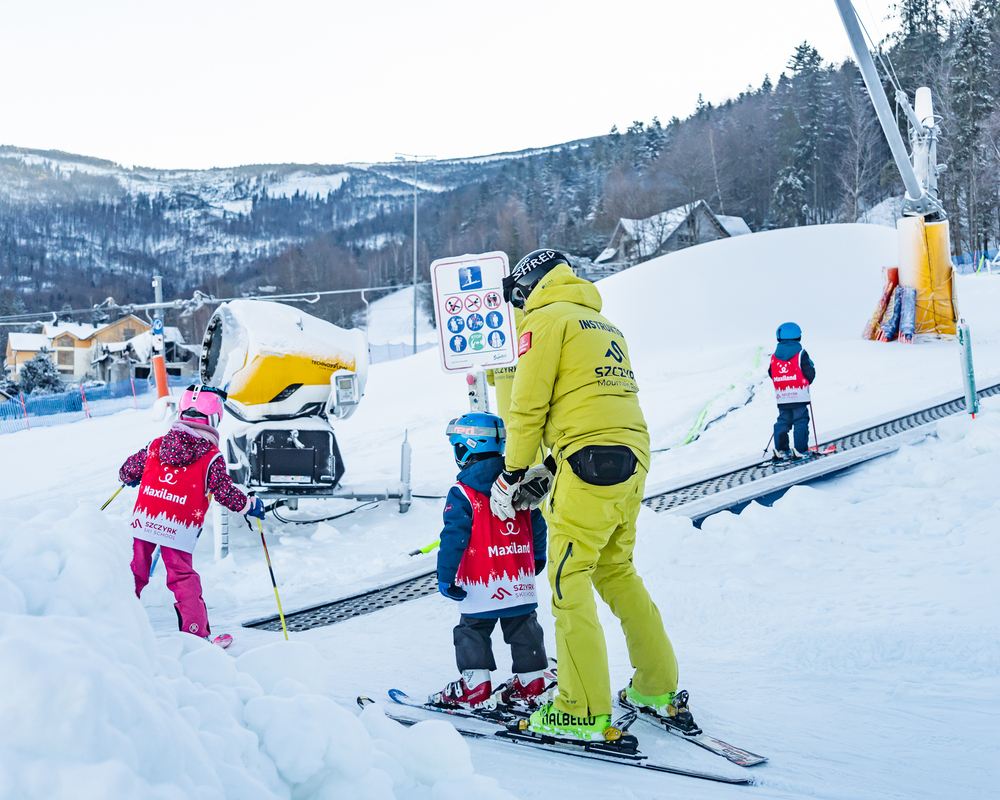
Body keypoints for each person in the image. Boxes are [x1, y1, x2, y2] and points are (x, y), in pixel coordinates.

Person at [490, 249, 696, 742]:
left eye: (517, 297)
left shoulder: (545, 319)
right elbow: (596, 408)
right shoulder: (602, 324)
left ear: (529, 287)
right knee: (616, 570)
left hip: (587, 460)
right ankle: (656, 687)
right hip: (632, 457)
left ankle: (579, 710)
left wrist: (511, 473)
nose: (518, 307)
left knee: (568, 579)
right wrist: (549, 468)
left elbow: (527, 405)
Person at [119, 384, 264, 647]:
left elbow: (128, 468)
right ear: (214, 418)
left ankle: (114, 622)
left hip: (145, 519)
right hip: (179, 527)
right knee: (182, 576)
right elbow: (224, 493)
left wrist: (130, 477)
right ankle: (196, 635)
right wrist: (249, 505)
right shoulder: (211, 456)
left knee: (135, 571)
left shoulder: (157, 445)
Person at [430, 412, 551, 711]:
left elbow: (454, 537)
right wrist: (537, 556)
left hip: (480, 582)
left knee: (472, 630)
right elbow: (537, 523)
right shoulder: (518, 485)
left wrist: (446, 576)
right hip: (518, 579)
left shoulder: (462, 492)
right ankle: (532, 682)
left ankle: (475, 686)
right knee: (524, 627)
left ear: (465, 448)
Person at [768, 322, 816, 459]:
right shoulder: (801, 354)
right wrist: (805, 381)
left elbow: (771, 373)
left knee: (783, 420)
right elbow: (809, 372)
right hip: (799, 395)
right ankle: (800, 449)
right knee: (800, 420)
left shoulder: (774, 356)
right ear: (798, 336)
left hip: (782, 396)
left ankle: (781, 449)